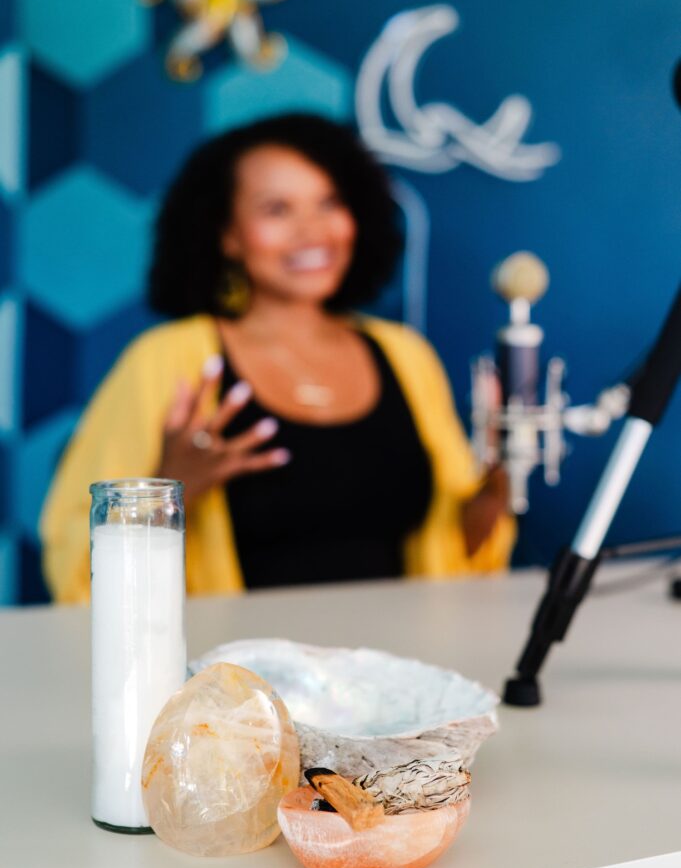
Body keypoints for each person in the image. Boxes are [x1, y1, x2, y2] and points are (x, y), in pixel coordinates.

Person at [41, 113, 514, 603]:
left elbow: (458, 554)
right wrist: (168, 491)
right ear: (227, 234)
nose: (313, 230)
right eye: (277, 209)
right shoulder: (165, 361)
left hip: (389, 671)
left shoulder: (405, 356)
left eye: (329, 202)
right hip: (239, 676)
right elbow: (76, 568)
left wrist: (493, 497)